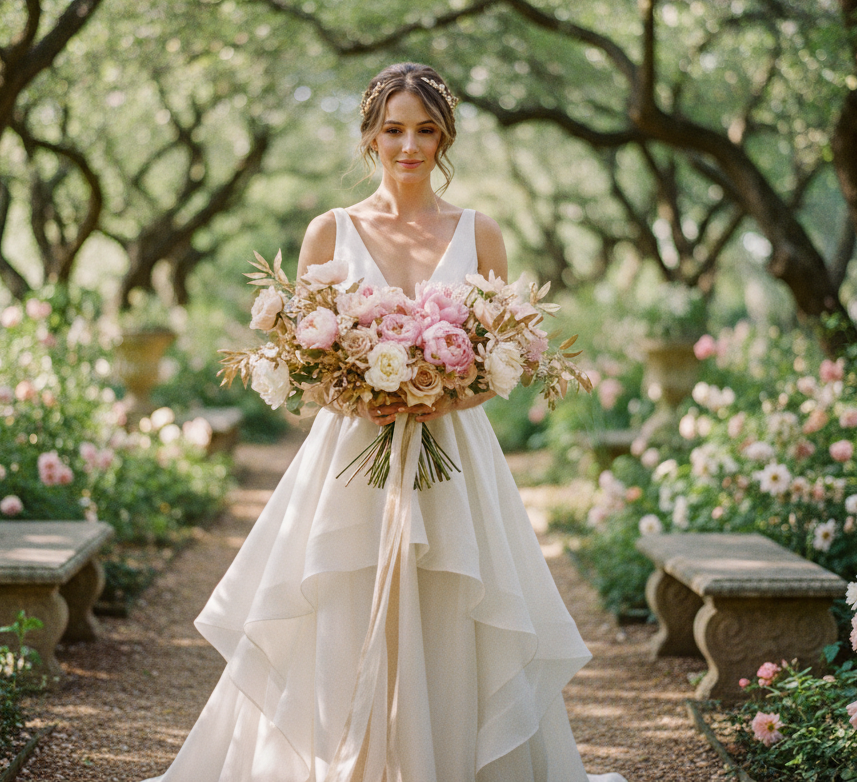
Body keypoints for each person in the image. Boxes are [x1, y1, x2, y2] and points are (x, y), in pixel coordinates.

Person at [143, 63, 625, 782]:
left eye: (426, 131)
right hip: (351, 456)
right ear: (370, 136)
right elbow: (304, 364)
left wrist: (446, 395)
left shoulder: (479, 232)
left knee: (452, 611)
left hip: (453, 452)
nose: (410, 146)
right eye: (395, 129)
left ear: (445, 137)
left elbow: (503, 363)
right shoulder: (329, 232)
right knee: (340, 604)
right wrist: (359, 395)